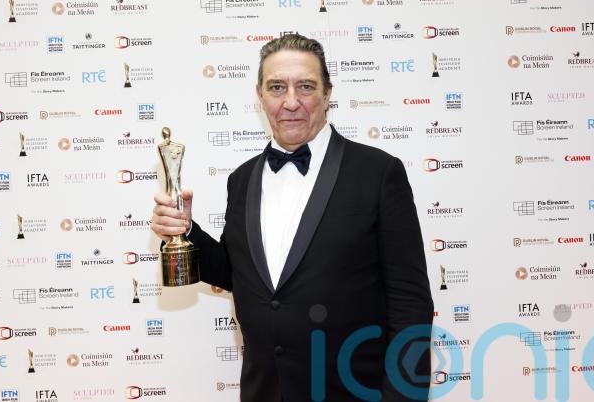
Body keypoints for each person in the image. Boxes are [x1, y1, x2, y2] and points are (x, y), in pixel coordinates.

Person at [151, 34, 434, 401]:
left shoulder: (378, 173)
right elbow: (237, 274)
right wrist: (185, 231)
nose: (290, 102)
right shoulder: (242, 179)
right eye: (276, 87)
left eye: (305, 86)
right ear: (260, 95)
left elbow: (410, 303)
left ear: (327, 93)